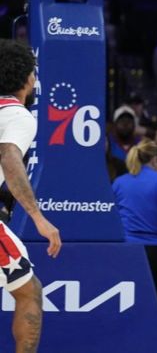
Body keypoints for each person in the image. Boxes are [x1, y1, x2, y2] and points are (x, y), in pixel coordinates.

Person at [0, 40, 62, 353]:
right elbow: (9, 156)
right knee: (28, 291)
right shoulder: (17, 114)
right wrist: (38, 217)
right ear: (28, 78)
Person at [112, 139, 157, 296]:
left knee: (128, 297)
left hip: (128, 248)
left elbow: (112, 214)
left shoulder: (119, 182)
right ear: (156, 159)